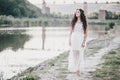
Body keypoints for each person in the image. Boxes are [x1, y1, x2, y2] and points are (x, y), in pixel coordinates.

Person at [68, 8, 88, 76]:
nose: (77, 13)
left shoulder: (84, 23)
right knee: (74, 55)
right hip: (74, 39)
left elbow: (85, 34)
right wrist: (69, 40)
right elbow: (70, 32)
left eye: (78, 12)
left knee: (80, 54)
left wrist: (83, 42)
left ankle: (78, 69)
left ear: (81, 13)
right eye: (76, 12)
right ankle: (76, 68)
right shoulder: (73, 22)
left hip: (80, 39)